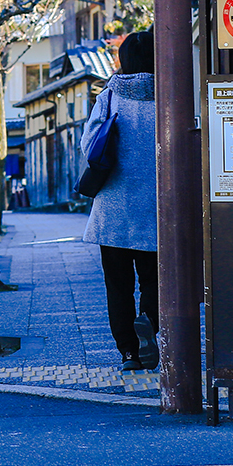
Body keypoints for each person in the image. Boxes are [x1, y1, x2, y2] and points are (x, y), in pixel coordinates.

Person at [80, 29, 159, 372]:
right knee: (155, 281)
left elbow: (89, 147)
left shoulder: (109, 97)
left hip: (113, 209)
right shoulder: (172, 94)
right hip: (158, 207)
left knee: (118, 285)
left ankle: (128, 351)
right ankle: (152, 333)